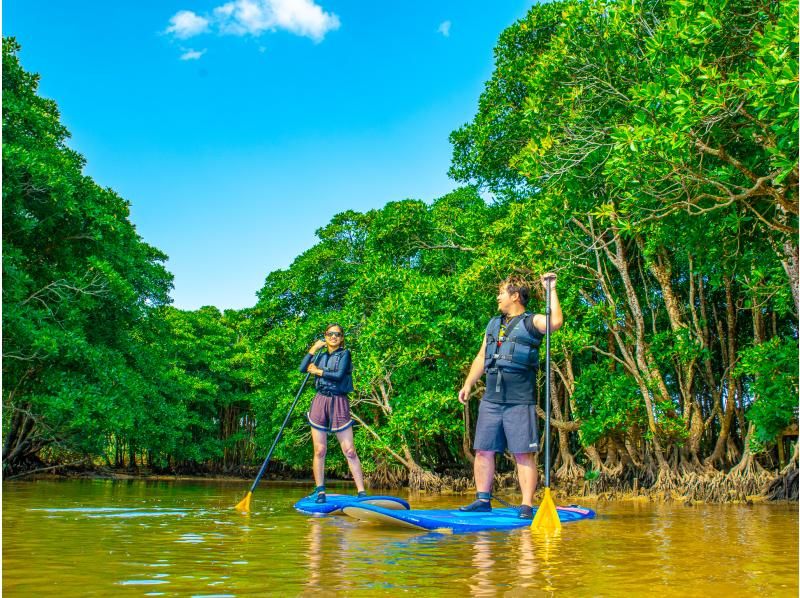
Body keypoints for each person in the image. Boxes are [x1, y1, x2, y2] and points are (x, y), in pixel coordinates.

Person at [457, 273, 562, 519]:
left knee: (522, 452)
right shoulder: (493, 324)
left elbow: (555, 322)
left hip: (519, 398)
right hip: (492, 398)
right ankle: (483, 499)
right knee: (483, 449)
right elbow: (482, 356)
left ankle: (526, 505)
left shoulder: (531, 321)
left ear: (514, 296)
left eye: (501, 293)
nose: (497, 297)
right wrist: (468, 383)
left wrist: (551, 290)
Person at [299, 323, 366, 504]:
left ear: (342, 338)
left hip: (339, 401)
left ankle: (361, 492)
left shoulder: (345, 354)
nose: (333, 337)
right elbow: (302, 368)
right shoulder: (319, 355)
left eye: (337, 334)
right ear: (325, 336)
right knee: (320, 450)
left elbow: (338, 375)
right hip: (320, 400)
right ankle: (320, 490)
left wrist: (318, 371)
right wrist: (314, 348)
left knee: (350, 450)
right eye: (330, 334)